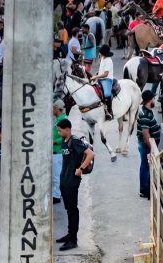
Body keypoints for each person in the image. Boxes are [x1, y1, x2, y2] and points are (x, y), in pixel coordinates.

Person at [56, 119, 95, 251]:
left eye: (60, 130)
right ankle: (69, 234)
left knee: (73, 210)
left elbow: (90, 154)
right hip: (64, 181)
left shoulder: (75, 142)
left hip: (72, 182)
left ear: (67, 129)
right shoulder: (64, 141)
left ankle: (73, 240)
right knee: (68, 209)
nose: (58, 132)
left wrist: (81, 169)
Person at [137, 90, 161, 199]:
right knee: (146, 167)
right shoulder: (145, 114)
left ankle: (145, 189)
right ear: (149, 101)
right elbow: (146, 134)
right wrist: (152, 149)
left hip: (147, 145)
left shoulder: (148, 111)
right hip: (147, 146)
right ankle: (145, 190)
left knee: (145, 166)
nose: (154, 100)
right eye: (153, 99)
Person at [91, 44, 115, 120]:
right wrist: (96, 74)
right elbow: (101, 70)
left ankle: (110, 111)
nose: (99, 53)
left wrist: (96, 77)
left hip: (107, 79)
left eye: (100, 52)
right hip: (100, 78)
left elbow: (106, 74)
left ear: (104, 53)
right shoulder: (102, 58)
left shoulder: (108, 60)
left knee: (107, 93)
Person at [52, 99, 67, 205]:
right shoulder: (58, 119)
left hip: (58, 152)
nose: (52, 110)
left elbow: (66, 136)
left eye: (53, 108)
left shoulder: (62, 120)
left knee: (56, 176)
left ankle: (56, 196)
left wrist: (54, 142)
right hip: (56, 152)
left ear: (57, 108)